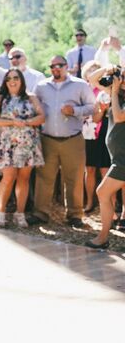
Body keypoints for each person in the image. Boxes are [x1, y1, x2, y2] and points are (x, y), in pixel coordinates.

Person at [32, 55, 95, 227]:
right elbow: (34, 106)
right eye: (52, 66)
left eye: (59, 65)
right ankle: (40, 213)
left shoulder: (80, 85)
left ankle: (75, 215)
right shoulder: (41, 86)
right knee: (44, 177)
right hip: (47, 139)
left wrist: (74, 110)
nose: (56, 68)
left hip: (72, 139)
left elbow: (92, 107)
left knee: (74, 178)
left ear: (66, 66)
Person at [0, 69, 45, 227]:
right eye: (8, 79)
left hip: (27, 143)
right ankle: (1, 212)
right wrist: (12, 122)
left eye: (15, 78)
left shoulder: (31, 97)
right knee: (8, 177)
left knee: (24, 178)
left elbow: (42, 117)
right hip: (7, 143)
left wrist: (27, 122)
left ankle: (20, 213)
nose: (12, 81)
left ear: (21, 80)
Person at [85, 67, 125, 249]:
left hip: (123, 160)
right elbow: (92, 80)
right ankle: (103, 237)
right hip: (118, 157)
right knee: (104, 193)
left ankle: (102, 237)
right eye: (122, 75)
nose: (121, 79)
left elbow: (118, 116)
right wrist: (106, 69)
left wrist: (115, 92)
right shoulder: (118, 94)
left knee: (102, 192)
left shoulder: (117, 95)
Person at [82, 61, 111, 213]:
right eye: (90, 70)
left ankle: (106, 205)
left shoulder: (106, 89)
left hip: (104, 132)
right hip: (88, 134)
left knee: (105, 170)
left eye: (96, 70)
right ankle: (89, 201)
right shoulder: (83, 89)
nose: (93, 72)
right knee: (90, 169)